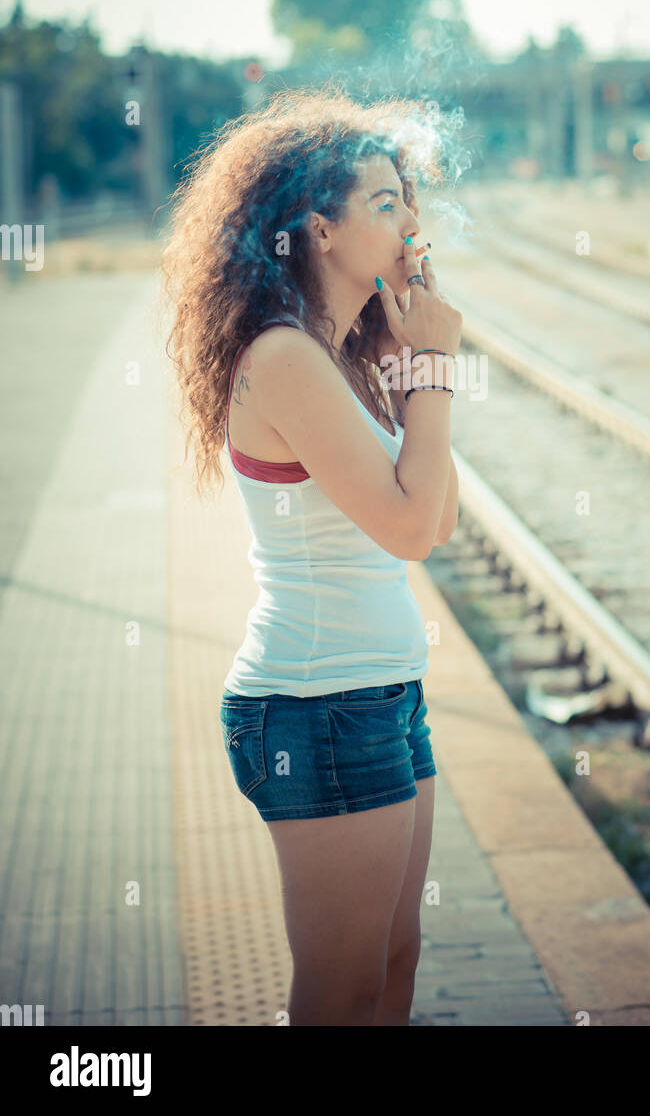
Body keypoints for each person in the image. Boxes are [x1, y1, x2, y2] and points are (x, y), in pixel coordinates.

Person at [160, 84, 462, 1026]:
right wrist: (441, 371)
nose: (409, 219)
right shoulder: (285, 356)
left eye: (406, 198)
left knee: (395, 961)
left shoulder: (349, 353)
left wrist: (415, 365)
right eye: (384, 202)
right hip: (316, 701)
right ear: (318, 230)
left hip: (380, 689)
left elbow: (436, 520)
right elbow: (410, 529)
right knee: (342, 992)